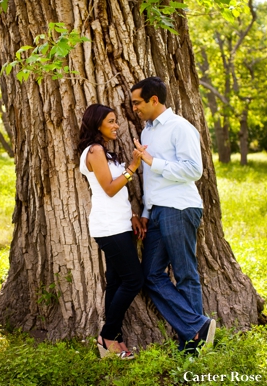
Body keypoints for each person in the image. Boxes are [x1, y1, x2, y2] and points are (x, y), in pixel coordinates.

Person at [131, 77, 216, 352]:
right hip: (156, 211)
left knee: (185, 274)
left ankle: (192, 346)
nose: (134, 108)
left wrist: (152, 161)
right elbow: (149, 179)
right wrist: (145, 211)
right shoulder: (146, 132)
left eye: (137, 103)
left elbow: (194, 170)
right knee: (151, 275)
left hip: (179, 207)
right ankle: (197, 326)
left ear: (154, 100)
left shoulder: (181, 127)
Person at [78, 103, 145, 360]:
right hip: (109, 227)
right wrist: (133, 166)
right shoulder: (94, 151)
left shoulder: (104, 152)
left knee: (117, 281)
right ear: (97, 125)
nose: (116, 125)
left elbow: (119, 197)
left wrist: (133, 216)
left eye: (116, 120)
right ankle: (107, 336)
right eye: (111, 121)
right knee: (134, 280)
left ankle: (113, 341)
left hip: (120, 223)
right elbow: (109, 189)